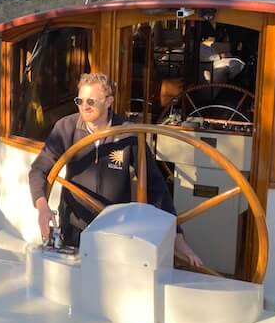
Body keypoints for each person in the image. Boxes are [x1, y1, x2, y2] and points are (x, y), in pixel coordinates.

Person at [29, 72, 203, 266]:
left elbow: (156, 189)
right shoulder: (66, 127)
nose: (84, 107)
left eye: (91, 101)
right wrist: (42, 207)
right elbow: (39, 170)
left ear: (108, 101)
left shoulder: (129, 134)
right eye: (80, 100)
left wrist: (177, 238)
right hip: (74, 229)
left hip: (116, 232)